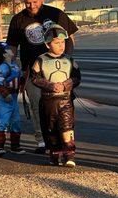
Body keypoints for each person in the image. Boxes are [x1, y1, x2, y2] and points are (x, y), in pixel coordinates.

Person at [6, 0, 78, 153]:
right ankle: (42, 141)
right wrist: (9, 65)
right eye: (27, 3)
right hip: (32, 71)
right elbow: (12, 46)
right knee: (37, 106)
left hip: (57, 69)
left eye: (35, 2)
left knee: (60, 106)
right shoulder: (18, 20)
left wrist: (66, 60)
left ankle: (63, 140)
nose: (31, 6)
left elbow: (70, 37)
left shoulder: (56, 14)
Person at [31, 24, 81, 167]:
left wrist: (66, 85)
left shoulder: (69, 60)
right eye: (57, 43)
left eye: (63, 42)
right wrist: (50, 85)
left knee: (67, 128)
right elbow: (35, 78)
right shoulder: (40, 60)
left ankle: (69, 155)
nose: (61, 46)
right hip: (48, 101)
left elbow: (77, 77)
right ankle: (54, 154)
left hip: (65, 100)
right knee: (50, 129)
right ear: (47, 44)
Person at [0, 42, 24, 156]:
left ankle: (15, 145)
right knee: (3, 121)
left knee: (16, 121)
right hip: (4, 98)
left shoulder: (15, 64)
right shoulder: (3, 67)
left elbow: (19, 77)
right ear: (4, 55)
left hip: (13, 97)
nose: (12, 51)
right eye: (9, 50)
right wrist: (5, 93)